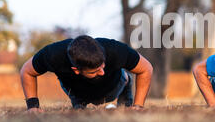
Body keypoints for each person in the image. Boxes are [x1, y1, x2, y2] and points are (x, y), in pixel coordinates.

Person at [20, 35, 153, 112]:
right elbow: (26, 71)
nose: (102, 72)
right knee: (78, 110)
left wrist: (138, 106)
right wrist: (33, 107)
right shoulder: (53, 54)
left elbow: (146, 68)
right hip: (77, 92)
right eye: (95, 70)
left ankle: (126, 86)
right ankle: (79, 103)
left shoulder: (115, 49)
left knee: (125, 77)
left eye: (103, 66)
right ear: (76, 70)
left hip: (113, 87)